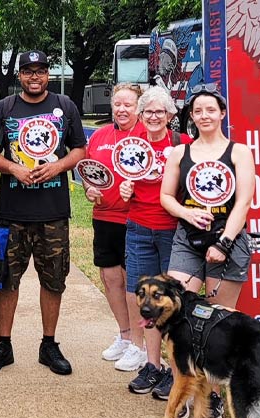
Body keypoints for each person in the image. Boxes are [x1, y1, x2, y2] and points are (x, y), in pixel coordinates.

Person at [0, 50, 86, 375]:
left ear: (48, 74)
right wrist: (13, 168)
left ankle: (49, 344)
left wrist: (58, 166)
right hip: (12, 212)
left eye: (40, 71)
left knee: (53, 281)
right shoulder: (4, 108)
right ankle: (3, 345)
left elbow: (80, 149)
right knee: (7, 281)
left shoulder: (65, 106)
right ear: (20, 76)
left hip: (52, 212)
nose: (34, 77)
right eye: (28, 71)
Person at [159, 83, 255, 418]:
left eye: (210, 109)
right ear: (191, 116)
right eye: (197, 111)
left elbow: (243, 201)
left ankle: (213, 396)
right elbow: (166, 197)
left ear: (222, 113)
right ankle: (181, 392)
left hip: (228, 240)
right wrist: (186, 214)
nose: (204, 116)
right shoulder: (179, 153)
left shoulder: (239, 152)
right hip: (188, 239)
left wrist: (224, 243)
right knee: (175, 314)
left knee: (219, 322)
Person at [119, 86, 193, 399]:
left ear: (170, 116)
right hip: (138, 228)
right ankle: (153, 365)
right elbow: (117, 185)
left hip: (173, 232)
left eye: (159, 112)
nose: (153, 117)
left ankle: (177, 372)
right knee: (146, 303)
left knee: (175, 305)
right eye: (147, 111)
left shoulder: (183, 144)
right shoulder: (130, 145)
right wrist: (123, 190)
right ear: (140, 115)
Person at [83, 83, 146, 369]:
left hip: (135, 220)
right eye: (117, 104)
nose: (121, 110)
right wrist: (88, 190)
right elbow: (89, 173)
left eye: (128, 105)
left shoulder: (147, 136)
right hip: (104, 218)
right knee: (111, 279)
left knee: (134, 284)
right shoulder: (99, 136)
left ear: (139, 108)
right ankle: (123, 334)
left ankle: (139, 343)